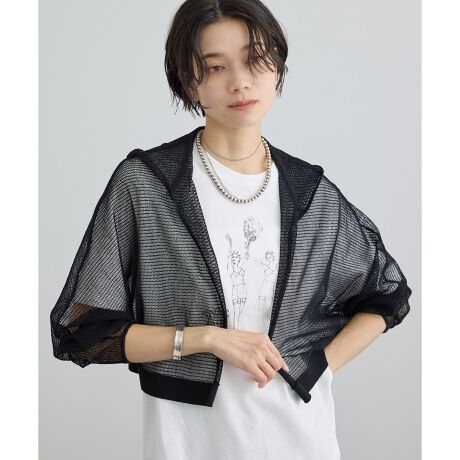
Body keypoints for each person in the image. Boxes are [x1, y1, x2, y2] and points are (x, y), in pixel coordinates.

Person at [50, 1, 412, 459]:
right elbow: (81, 330)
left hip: (302, 439)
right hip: (190, 444)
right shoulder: (148, 185)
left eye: (255, 60)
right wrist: (205, 338)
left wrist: (318, 367)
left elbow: (387, 296)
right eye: (215, 67)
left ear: (276, 64)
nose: (240, 82)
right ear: (189, 81)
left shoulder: (308, 192)